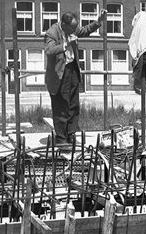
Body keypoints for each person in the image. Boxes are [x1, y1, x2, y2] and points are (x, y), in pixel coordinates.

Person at [44, 10, 105, 145]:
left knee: (74, 105)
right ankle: (61, 138)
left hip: (72, 70)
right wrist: (66, 45)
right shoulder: (52, 32)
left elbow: (85, 30)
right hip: (60, 74)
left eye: (75, 27)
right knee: (61, 106)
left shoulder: (72, 29)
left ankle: (71, 134)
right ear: (64, 24)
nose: (75, 30)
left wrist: (98, 21)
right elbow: (49, 50)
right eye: (72, 28)